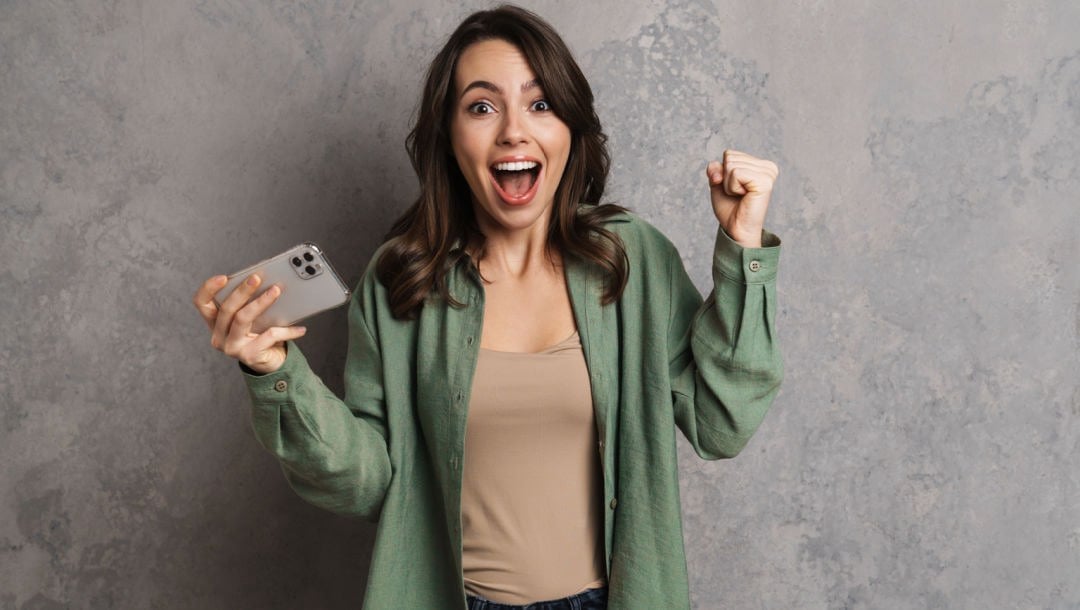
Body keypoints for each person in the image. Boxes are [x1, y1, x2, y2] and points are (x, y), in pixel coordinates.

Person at [192, 5, 782, 609]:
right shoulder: (403, 280)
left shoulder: (631, 260)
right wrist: (276, 374)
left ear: (570, 128)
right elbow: (368, 486)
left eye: (540, 104)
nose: (513, 132)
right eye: (481, 106)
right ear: (449, 136)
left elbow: (721, 421)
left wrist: (744, 251)